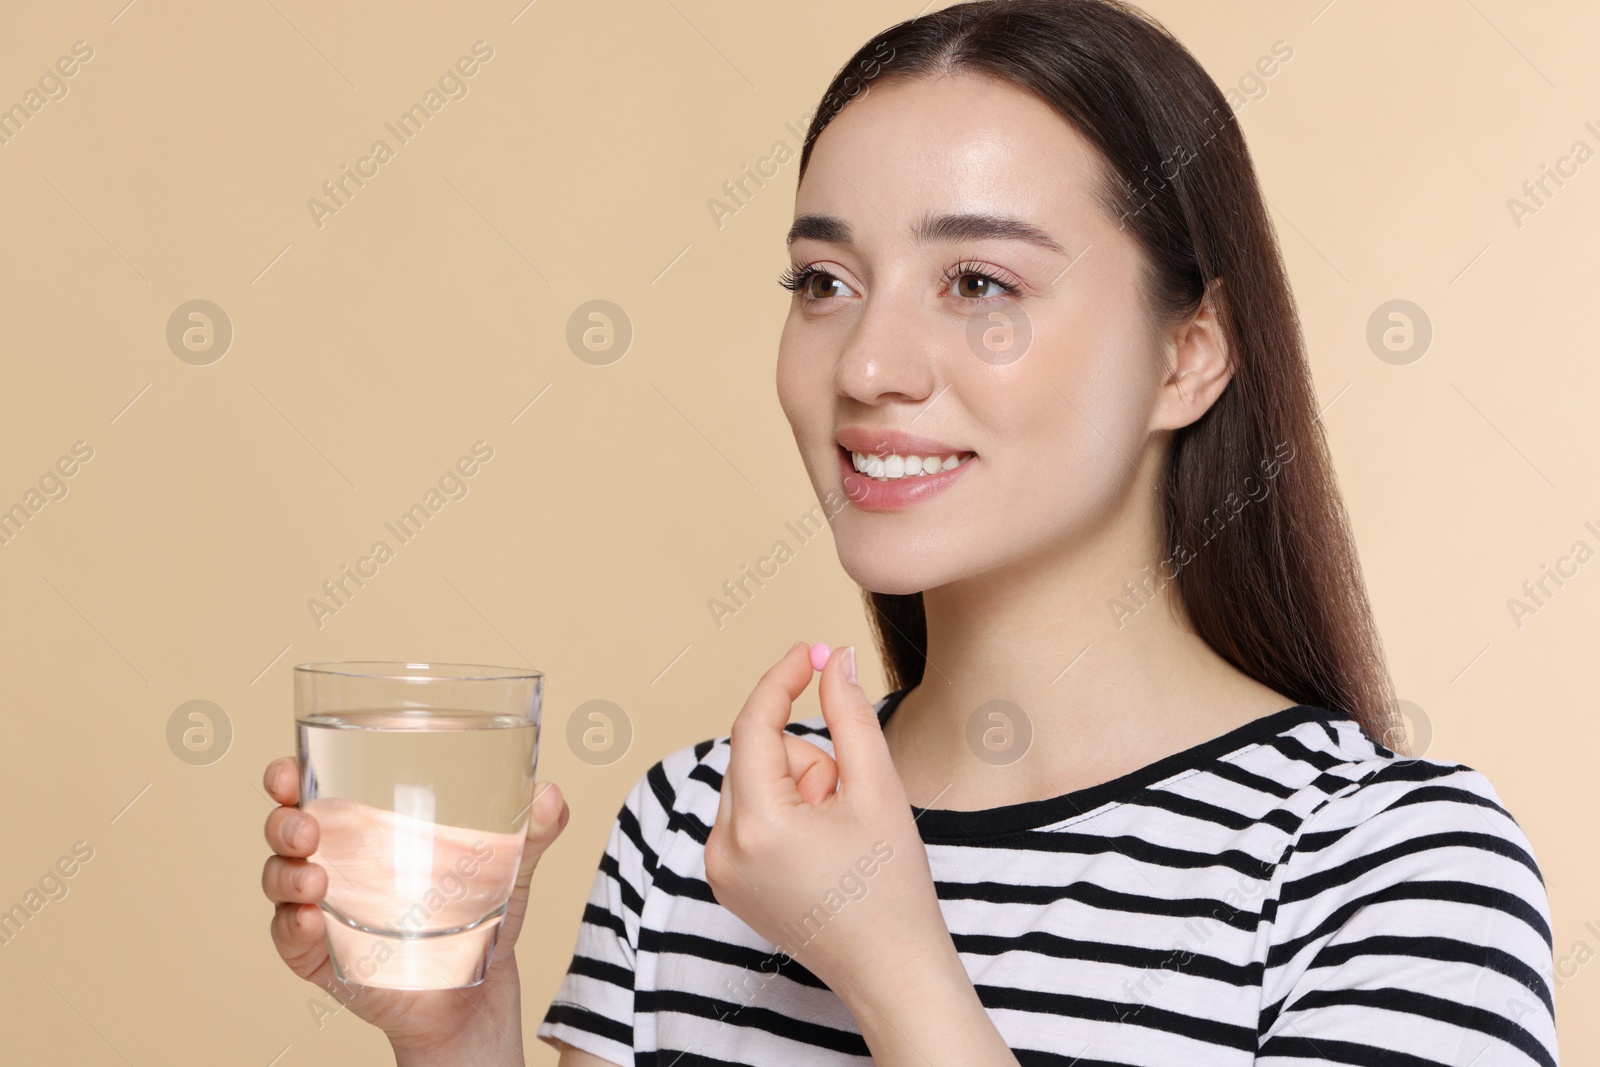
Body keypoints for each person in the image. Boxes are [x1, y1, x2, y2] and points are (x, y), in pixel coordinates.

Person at [259, 1, 1560, 1063]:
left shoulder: (1386, 871)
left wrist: (896, 972)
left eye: (980, 284)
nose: (870, 364)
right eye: (825, 283)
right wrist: (458, 1037)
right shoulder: (699, 830)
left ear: (1188, 354)